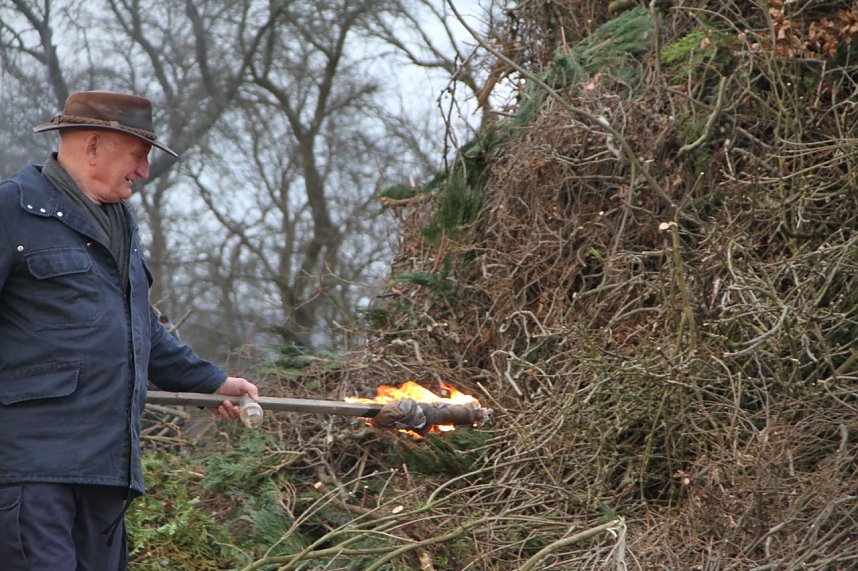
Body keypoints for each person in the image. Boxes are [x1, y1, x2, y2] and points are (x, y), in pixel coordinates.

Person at [0, 90, 259, 570]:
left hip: (106, 473)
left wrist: (210, 382)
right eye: (138, 155)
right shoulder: (13, 209)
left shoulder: (121, 222)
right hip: (30, 473)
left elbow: (139, 327)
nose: (143, 170)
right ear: (94, 146)